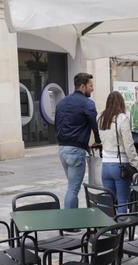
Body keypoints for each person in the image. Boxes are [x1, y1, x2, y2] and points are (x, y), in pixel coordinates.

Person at [55, 72, 101, 209]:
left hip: (62, 149)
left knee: (71, 187)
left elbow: (56, 124)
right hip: (76, 150)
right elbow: (94, 124)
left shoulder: (61, 103)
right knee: (73, 189)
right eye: (90, 86)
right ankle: (70, 224)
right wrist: (98, 141)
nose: (92, 89)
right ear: (82, 86)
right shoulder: (87, 103)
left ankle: (71, 221)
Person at [98, 91, 138, 213]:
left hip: (105, 165)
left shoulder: (100, 118)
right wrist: (135, 164)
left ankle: (110, 229)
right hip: (120, 166)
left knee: (109, 202)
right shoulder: (122, 118)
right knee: (122, 201)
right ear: (121, 103)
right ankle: (122, 231)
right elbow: (129, 145)